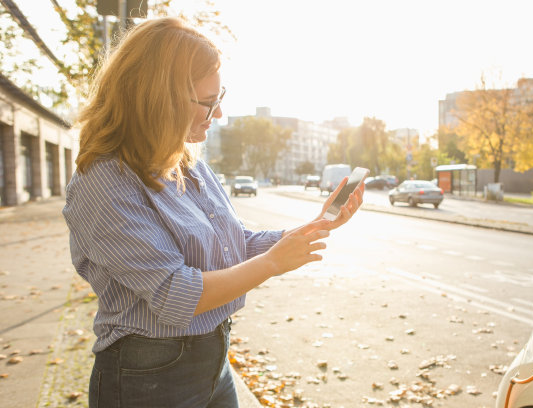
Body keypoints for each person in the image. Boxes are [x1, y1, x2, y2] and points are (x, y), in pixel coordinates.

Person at [62, 17, 364, 408]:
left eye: (220, 98)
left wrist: (317, 225)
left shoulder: (186, 161)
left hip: (213, 360)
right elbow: (175, 294)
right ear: (159, 98)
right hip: (148, 378)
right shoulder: (103, 180)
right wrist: (273, 263)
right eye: (208, 102)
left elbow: (234, 244)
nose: (218, 114)